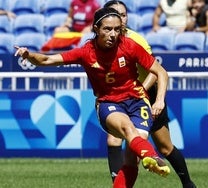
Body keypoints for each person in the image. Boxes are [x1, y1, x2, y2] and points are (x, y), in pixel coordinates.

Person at [15, 7, 170, 188]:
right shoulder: (85, 52)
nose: (113, 34)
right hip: (109, 104)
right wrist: (29, 55)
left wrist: (159, 100)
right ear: (96, 29)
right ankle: (151, 156)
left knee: (131, 160)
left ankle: (146, 156)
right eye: (107, 29)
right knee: (130, 131)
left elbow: (161, 72)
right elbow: (47, 60)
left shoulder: (129, 46)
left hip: (137, 101)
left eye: (117, 29)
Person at [104, 1, 196, 188]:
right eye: (116, 14)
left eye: (123, 15)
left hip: (146, 97)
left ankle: (188, 184)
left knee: (165, 147)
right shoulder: (103, 42)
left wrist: (141, 95)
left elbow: (156, 72)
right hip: (122, 100)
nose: (121, 19)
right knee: (115, 141)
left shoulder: (137, 41)